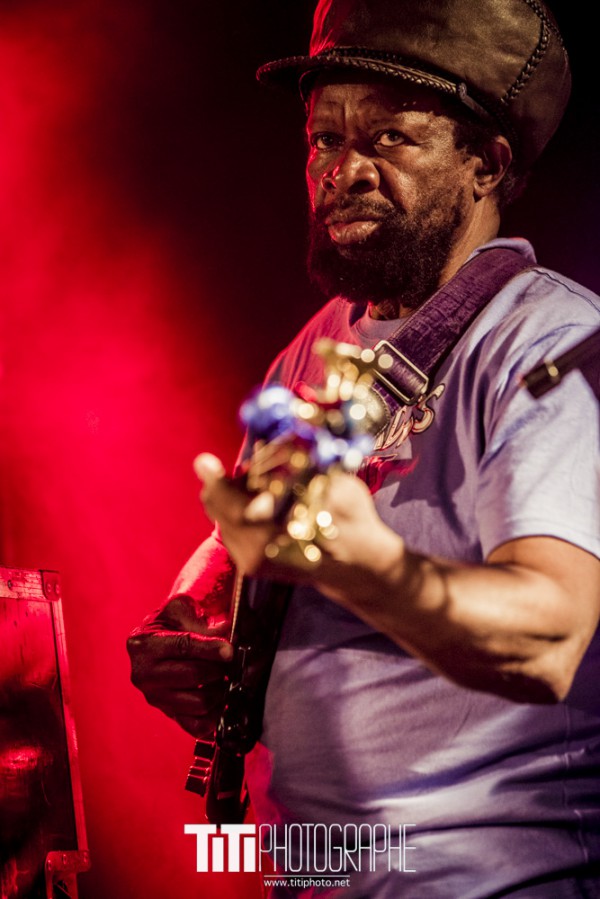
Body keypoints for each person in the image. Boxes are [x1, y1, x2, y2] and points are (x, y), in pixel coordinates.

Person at [127, 1, 600, 895]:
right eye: (325, 139)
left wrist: (362, 562)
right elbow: (244, 549)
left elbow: (548, 638)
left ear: (488, 165)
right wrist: (188, 625)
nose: (342, 171)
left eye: (390, 138)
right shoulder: (314, 346)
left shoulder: (557, 346)